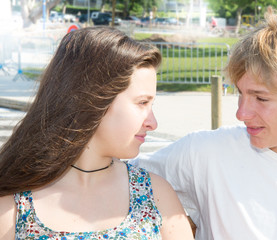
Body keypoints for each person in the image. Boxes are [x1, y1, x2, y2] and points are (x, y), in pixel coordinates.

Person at [132, 8, 277, 239]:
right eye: (240, 93)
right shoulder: (205, 154)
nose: (241, 113)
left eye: (261, 98)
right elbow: (114, 176)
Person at [0, 27, 194, 240]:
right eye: (142, 103)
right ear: (93, 101)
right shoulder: (13, 206)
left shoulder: (156, 196)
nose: (152, 123)